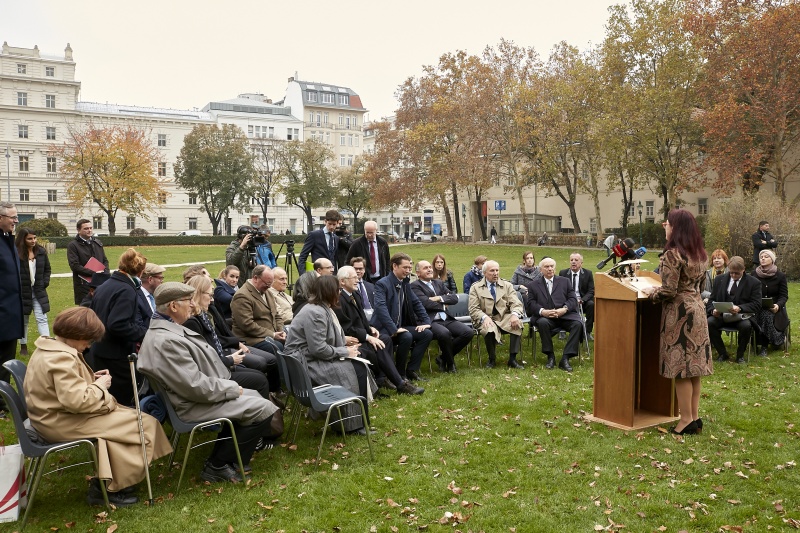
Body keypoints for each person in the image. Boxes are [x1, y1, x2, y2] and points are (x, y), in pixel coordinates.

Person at [24, 306, 171, 506]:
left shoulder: (48, 349)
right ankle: (108, 489)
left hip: (54, 417)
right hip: (60, 422)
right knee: (142, 424)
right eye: (88, 340)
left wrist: (91, 379)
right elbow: (77, 401)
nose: (88, 345)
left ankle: (110, 483)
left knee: (132, 421)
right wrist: (99, 386)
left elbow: (58, 390)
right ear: (76, 334)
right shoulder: (60, 357)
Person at [138, 282, 281, 483]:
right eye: (188, 301)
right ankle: (218, 464)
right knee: (263, 408)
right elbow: (194, 386)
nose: (191, 305)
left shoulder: (166, 330)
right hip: (192, 405)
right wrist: (230, 388)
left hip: (197, 396)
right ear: (173, 306)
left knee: (255, 396)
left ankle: (228, 458)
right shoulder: (166, 341)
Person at [642, 209, 712, 436]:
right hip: (698, 311)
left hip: (680, 314)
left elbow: (669, 290)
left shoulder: (673, 253)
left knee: (681, 369)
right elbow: (700, 288)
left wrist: (652, 292)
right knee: (694, 370)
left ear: (676, 227)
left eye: (668, 223)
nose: (664, 225)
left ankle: (685, 421)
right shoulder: (700, 254)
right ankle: (695, 416)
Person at [283, 275, 377, 434]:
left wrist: (343, 341)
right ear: (328, 292)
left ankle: (359, 422)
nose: (339, 293)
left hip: (306, 359)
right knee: (356, 370)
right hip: (306, 365)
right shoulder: (316, 312)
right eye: (337, 290)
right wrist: (345, 351)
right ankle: (353, 425)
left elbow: (320, 339)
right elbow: (318, 349)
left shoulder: (319, 307)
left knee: (358, 366)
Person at [335, 266, 423, 395]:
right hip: (351, 341)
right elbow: (347, 328)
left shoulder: (355, 294)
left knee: (385, 339)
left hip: (361, 335)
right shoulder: (339, 299)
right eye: (353, 277)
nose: (357, 280)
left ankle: (382, 378)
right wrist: (367, 337)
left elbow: (361, 319)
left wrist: (370, 328)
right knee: (378, 345)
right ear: (342, 281)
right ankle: (400, 383)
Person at [183, 276, 272, 399]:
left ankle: (263, 407)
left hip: (221, 362)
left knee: (259, 373)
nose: (212, 299)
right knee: (260, 378)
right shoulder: (193, 322)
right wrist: (229, 360)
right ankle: (262, 412)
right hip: (215, 374)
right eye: (210, 295)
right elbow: (203, 359)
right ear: (199, 294)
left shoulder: (203, 314)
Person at [89, 248, 149, 406]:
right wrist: (146, 333)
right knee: (122, 401)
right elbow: (118, 324)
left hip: (100, 349)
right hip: (115, 354)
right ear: (141, 271)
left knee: (107, 398)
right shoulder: (126, 290)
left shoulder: (106, 285)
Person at [372, 252, 433, 382]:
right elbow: (380, 308)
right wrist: (393, 329)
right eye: (405, 267)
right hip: (382, 329)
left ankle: (410, 370)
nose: (408, 271)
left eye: (410, 268)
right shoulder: (382, 284)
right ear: (395, 266)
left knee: (426, 334)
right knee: (406, 336)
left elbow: (416, 303)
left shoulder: (405, 283)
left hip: (399, 327)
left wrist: (426, 321)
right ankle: (399, 375)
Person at [411, 260, 473, 373]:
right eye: (425, 268)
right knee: (444, 334)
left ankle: (442, 358)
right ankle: (450, 364)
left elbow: (455, 298)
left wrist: (439, 298)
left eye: (430, 267)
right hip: (430, 320)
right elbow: (425, 303)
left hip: (445, 318)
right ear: (418, 273)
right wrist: (444, 300)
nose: (430, 269)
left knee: (468, 332)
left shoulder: (438, 283)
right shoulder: (415, 286)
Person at [524, 258, 583, 371]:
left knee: (577, 324)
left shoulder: (565, 281)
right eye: (546, 267)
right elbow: (531, 304)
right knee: (542, 323)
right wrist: (543, 311)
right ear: (541, 270)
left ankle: (565, 358)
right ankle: (550, 356)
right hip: (545, 317)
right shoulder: (533, 285)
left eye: (552, 266)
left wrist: (564, 309)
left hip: (565, 315)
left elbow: (572, 299)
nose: (550, 269)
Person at [468, 260, 524, 369]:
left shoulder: (507, 285)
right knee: (488, 329)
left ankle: (512, 359)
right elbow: (473, 308)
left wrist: (515, 315)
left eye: (497, 270)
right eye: (492, 271)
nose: (495, 273)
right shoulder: (476, 287)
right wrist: (484, 317)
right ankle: (492, 359)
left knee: (518, 324)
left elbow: (516, 303)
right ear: (484, 273)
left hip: (504, 317)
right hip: (486, 318)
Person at [705, 255, 761, 365]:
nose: (733, 275)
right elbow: (712, 300)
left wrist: (740, 308)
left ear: (743, 270)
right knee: (709, 322)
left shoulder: (754, 283)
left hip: (742, 316)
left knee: (746, 326)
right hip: (721, 316)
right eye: (731, 273)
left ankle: (740, 356)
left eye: (737, 273)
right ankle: (722, 353)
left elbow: (757, 304)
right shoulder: (719, 279)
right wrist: (713, 311)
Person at [0, 202, 23, 417]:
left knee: (6, 360)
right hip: (2, 312)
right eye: (12, 217)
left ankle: (2, 400)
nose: (16, 220)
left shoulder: (8, 239)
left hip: (10, 313)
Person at [231, 264, 286, 354]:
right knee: (277, 347)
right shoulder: (242, 296)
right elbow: (247, 325)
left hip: (270, 335)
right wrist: (272, 335)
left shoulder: (267, 292)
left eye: (270, 283)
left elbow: (276, 315)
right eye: (267, 283)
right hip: (251, 339)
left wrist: (281, 331)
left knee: (293, 342)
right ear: (255, 278)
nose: (269, 287)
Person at [15, 227, 51, 357]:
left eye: (35, 238)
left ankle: (47, 345)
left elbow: (47, 269)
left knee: (42, 318)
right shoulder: (16, 253)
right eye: (30, 238)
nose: (33, 240)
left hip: (38, 291)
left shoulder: (41, 252)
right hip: (23, 292)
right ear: (23, 239)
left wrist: (44, 283)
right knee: (23, 320)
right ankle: (23, 345)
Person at [751, 249, 789, 356]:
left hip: (775, 308)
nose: (762, 258)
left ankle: (764, 345)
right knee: (758, 314)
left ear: (772, 260)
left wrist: (778, 305)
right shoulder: (754, 274)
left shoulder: (780, 276)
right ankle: (754, 342)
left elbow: (784, 296)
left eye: (766, 256)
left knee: (766, 314)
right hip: (757, 306)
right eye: (761, 257)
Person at [66, 219, 109, 305]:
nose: (89, 230)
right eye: (86, 228)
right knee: (85, 312)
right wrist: (94, 273)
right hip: (83, 284)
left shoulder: (97, 243)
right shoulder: (73, 246)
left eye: (90, 228)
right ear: (78, 230)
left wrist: (105, 272)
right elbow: (75, 266)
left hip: (100, 282)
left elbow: (104, 260)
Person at [558, 253, 595, 341]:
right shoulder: (563, 273)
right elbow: (559, 290)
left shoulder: (588, 273)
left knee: (591, 305)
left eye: (576, 260)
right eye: (571, 260)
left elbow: (591, 290)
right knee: (559, 303)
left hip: (582, 300)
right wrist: (570, 300)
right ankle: (562, 330)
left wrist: (582, 300)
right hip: (568, 300)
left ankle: (587, 332)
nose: (573, 262)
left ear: (581, 263)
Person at [297, 209, 341, 274]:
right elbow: (302, 257)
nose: (331, 227)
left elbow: (335, 258)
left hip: (332, 276)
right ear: (325, 221)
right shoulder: (314, 235)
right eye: (329, 224)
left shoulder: (336, 238)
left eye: (334, 224)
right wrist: (303, 275)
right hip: (318, 275)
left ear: (337, 223)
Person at [136, 263, 165, 331]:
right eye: (160, 278)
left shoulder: (156, 295)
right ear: (150, 279)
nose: (162, 281)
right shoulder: (136, 298)